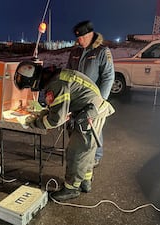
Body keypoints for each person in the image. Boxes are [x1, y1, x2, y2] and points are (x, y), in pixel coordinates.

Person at [13, 61, 115, 201]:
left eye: (30, 86)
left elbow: (55, 120)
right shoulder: (56, 76)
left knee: (76, 152)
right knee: (87, 150)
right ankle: (85, 181)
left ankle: (71, 189)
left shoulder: (55, 84)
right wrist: (43, 114)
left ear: (34, 81)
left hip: (89, 114)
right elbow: (59, 106)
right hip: (92, 109)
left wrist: (34, 123)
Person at [66, 20, 115, 167]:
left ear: (90, 35)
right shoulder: (75, 52)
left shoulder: (101, 51)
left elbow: (108, 77)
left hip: (93, 99)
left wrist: (101, 101)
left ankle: (96, 156)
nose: (79, 41)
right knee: (75, 125)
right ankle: (78, 152)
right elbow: (68, 73)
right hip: (76, 98)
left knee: (93, 127)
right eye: (77, 38)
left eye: (82, 37)